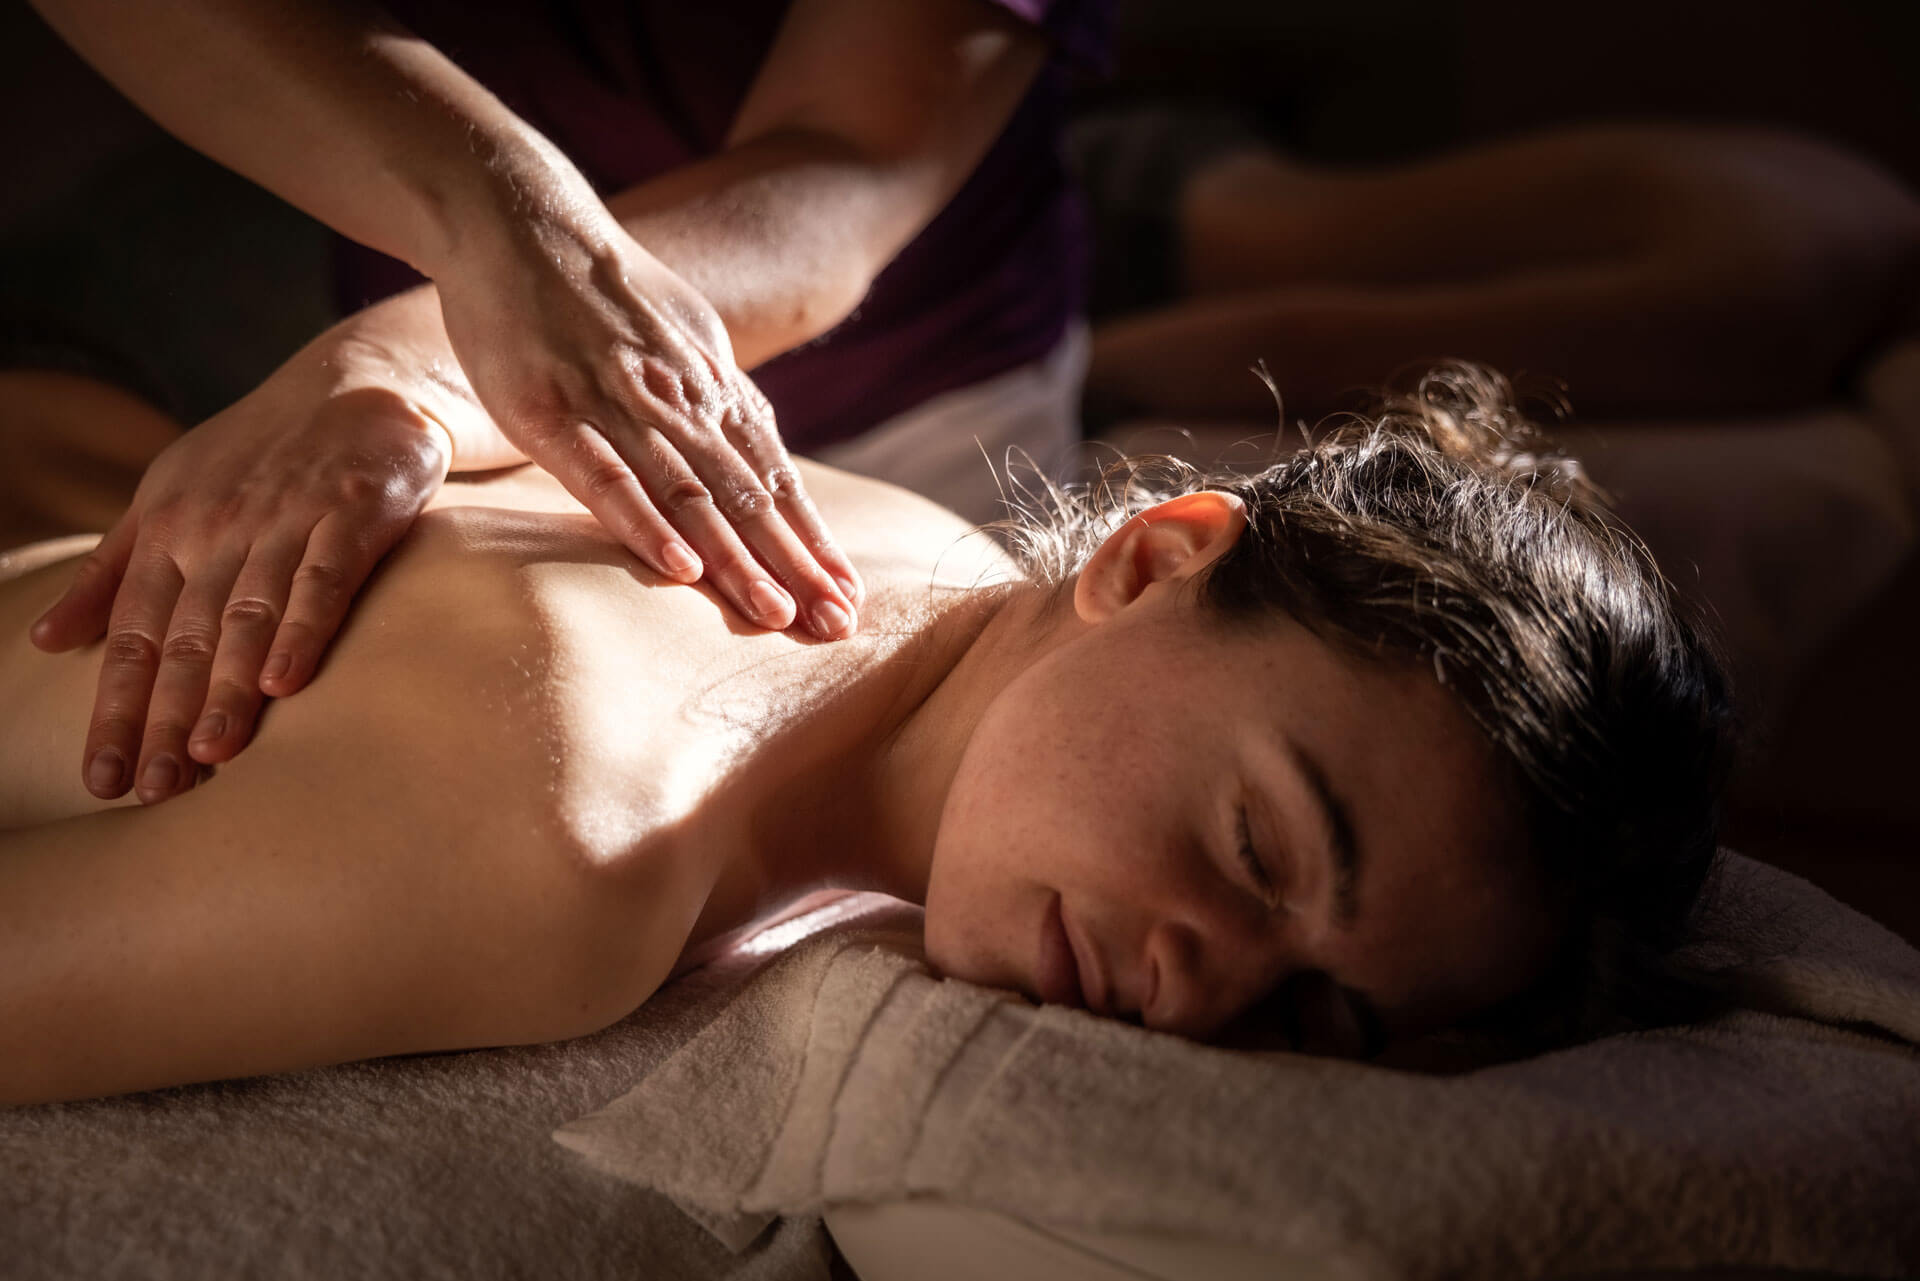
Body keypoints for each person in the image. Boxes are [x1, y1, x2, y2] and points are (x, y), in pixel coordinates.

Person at [0, 357, 1733, 1105]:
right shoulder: (575, 860)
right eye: (1257, 847)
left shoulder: (915, 556)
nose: (1200, 993)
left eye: (1318, 1015)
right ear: (1151, 561)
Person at [22, 0, 1109, 798]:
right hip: (422, 314)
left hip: (915, 389)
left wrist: (417, 350)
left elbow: (848, 161)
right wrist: (478, 234)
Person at [1070, 119, 1920, 424]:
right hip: (1135, 241)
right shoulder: (1784, 305)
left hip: (1179, 177)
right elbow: (1325, 349)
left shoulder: (1867, 198)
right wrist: (1064, 370)